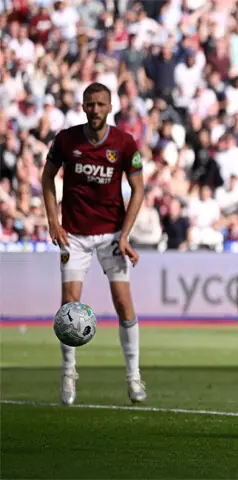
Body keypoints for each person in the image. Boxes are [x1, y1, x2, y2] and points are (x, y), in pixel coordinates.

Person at [41, 82, 147, 405]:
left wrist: (125, 234)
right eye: (90, 104)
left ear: (110, 107)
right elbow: (47, 178)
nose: (95, 110)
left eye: (101, 104)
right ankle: (69, 372)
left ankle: (133, 376)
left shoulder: (125, 144)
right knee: (69, 307)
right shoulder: (66, 140)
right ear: (83, 106)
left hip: (112, 234)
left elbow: (139, 189)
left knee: (123, 303)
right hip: (74, 234)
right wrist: (53, 221)